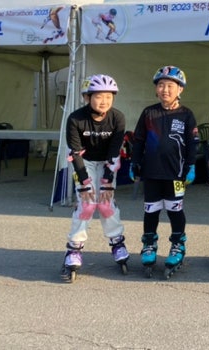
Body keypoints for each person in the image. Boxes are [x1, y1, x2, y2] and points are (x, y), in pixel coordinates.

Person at [129, 66, 198, 279]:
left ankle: (178, 245)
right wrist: (134, 163)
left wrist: (191, 166)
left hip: (175, 173)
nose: (165, 90)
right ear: (156, 89)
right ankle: (149, 244)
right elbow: (138, 140)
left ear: (180, 89)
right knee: (151, 211)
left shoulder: (186, 114)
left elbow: (192, 143)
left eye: (170, 85)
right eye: (161, 85)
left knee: (175, 210)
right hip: (151, 172)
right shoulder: (148, 113)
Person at [61, 74, 127, 282]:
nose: (104, 101)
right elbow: (75, 153)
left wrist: (107, 181)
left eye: (108, 96)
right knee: (87, 204)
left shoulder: (117, 118)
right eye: (98, 96)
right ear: (87, 97)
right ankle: (74, 248)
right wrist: (85, 183)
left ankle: (117, 242)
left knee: (106, 204)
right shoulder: (76, 119)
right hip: (85, 162)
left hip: (107, 161)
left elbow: (115, 152)